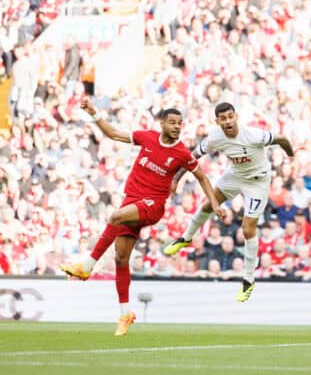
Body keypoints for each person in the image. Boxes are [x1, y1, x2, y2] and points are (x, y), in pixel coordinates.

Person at [59, 98, 225, 336]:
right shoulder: (146, 137)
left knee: (115, 217)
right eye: (172, 122)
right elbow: (114, 134)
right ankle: (125, 313)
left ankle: (87, 265)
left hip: (152, 205)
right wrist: (94, 113)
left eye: (180, 123)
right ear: (162, 124)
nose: (177, 126)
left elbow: (203, 178)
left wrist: (215, 203)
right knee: (120, 259)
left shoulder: (181, 153)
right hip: (132, 199)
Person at [165, 102, 294, 302]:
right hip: (235, 175)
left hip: (258, 181)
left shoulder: (252, 134)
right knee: (208, 205)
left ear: (236, 117)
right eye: (223, 118)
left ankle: (249, 279)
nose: (227, 121)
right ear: (217, 122)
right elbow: (192, 157)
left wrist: (291, 154)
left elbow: (282, 138)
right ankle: (186, 238)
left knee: (248, 228)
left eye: (230, 117)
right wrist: (176, 178)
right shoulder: (215, 137)